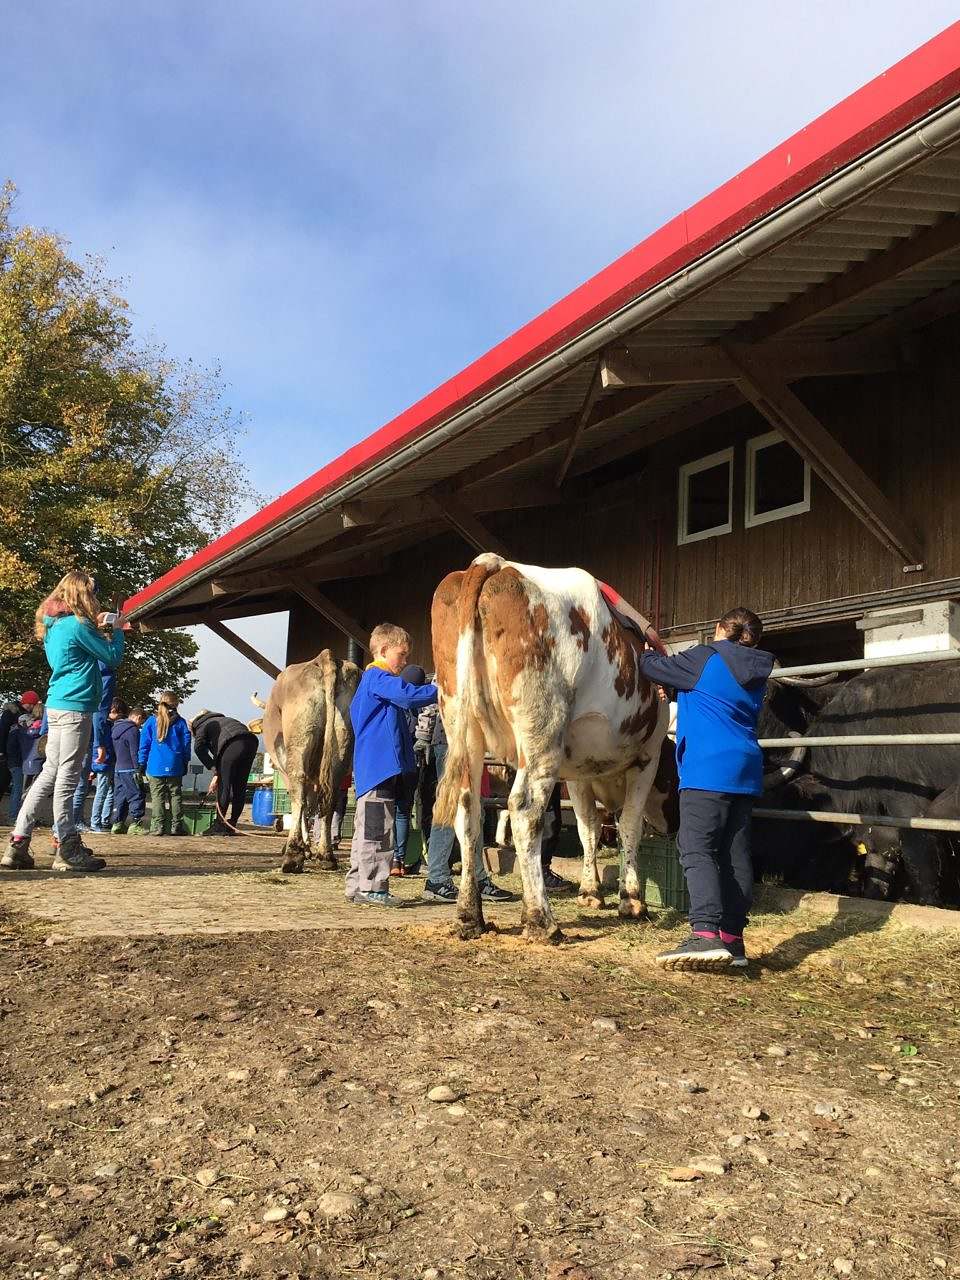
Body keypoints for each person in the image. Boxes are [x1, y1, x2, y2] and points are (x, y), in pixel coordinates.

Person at [638, 607, 774, 972]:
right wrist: (679, 691)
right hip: (745, 770)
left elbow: (651, 666)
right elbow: (719, 698)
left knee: (696, 846)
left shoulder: (705, 656)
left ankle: (704, 932)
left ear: (719, 628)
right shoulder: (757, 669)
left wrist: (647, 649)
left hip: (707, 769)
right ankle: (733, 939)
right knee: (734, 853)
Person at [2, 572, 124, 872]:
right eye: (92, 592)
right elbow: (112, 657)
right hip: (76, 708)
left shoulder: (53, 624)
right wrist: (117, 629)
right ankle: (67, 847)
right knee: (68, 778)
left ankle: (18, 843)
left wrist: (97, 628)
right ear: (82, 594)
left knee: (48, 775)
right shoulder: (77, 625)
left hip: (56, 704)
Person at [345, 624, 439, 908]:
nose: (405, 661)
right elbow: (409, 695)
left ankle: (357, 884)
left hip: (373, 769)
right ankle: (373, 887)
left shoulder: (373, 684)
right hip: (380, 768)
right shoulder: (379, 678)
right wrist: (440, 690)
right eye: (402, 654)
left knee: (365, 830)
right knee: (378, 830)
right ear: (384, 650)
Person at [422, 710, 514, 905]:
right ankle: (437, 879)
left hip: (470, 741)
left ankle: (477, 877)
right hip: (451, 739)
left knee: (475, 810)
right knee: (450, 809)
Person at [191, 711, 259, 835]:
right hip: (251, 743)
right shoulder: (225, 720)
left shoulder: (201, 725)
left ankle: (219, 825)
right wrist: (216, 773)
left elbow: (198, 748)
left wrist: (214, 770)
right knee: (240, 787)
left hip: (232, 744)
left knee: (224, 786)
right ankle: (232, 824)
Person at [391, 663, 428, 877]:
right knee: (403, 813)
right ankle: (399, 860)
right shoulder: (423, 706)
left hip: (393, 762)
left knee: (388, 811)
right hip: (413, 765)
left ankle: (387, 858)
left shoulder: (396, 703)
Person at [139, 692, 192, 837]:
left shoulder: (151, 721)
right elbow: (186, 744)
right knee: (175, 795)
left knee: (157, 797)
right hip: (175, 764)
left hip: (155, 765)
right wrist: (185, 761)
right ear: (176, 704)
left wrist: (141, 763)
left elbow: (144, 745)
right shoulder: (180, 722)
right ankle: (176, 826)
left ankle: (158, 826)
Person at [0, 691, 40, 816]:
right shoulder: (11, 714)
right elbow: (2, 732)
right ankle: (13, 815)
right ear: (29, 703)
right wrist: (1, 751)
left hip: (15, 754)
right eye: (33, 704)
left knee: (9, 784)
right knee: (8, 784)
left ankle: (13, 814)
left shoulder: (22, 715)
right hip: (10, 753)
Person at [110, 702, 147, 833]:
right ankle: (136, 823)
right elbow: (134, 751)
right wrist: (138, 769)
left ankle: (117, 823)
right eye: (141, 722)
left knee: (120, 796)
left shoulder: (115, 729)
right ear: (138, 717)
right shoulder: (132, 730)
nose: (141, 725)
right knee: (136, 794)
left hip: (118, 768)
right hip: (130, 768)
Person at [88, 697, 119, 833]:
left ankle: (104, 820)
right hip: (104, 761)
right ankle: (95, 822)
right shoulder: (104, 726)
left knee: (109, 791)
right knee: (101, 792)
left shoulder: (106, 725)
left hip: (106, 760)